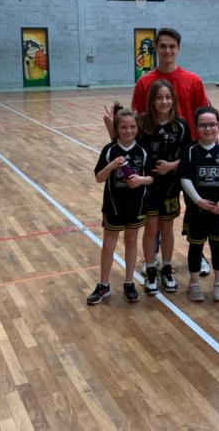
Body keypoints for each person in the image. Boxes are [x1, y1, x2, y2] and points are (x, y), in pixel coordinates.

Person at [104, 27, 212, 275]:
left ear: (178, 49)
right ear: (156, 48)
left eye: (172, 46)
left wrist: (208, 148)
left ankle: (198, 254)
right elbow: (134, 123)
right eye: (163, 46)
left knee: (196, 209)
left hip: (186, 157)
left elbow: (203, 118)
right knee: (154, 217)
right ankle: (152, 257)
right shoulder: (144, 82)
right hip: (154, 162)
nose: (167, 51)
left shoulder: (193, 80)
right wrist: (114, 132)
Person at [87, 105, 154, 305]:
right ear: (117, 128)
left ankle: (129, 282)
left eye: (132, 127)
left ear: (137, 128)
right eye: (124, 127)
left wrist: (140, 180)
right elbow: (99, 178)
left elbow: (152, 177)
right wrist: (111, 165)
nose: (128, 131)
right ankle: (103, 285)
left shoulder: (143, 150)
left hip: (136, 206)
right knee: (108, 245)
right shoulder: (110, 150)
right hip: (113, 206)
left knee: (131, 242)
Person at [178, 106, 219, 302]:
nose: (208, 129)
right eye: (203, 125)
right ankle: (194, 283)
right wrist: (198, 200)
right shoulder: (190, 151)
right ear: (196, 128)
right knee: (195, 247)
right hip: (197, 211)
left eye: (212, 124)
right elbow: (184, 178)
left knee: (217, 245)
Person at [137, 79, 190, 295]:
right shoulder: (142, 124)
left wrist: (170, 166)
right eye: (159, 97)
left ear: (173, 100)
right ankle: (151, 270)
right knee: (151, 229)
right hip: (148, 187)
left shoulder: (181, 126)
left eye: (168, 97)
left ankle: (167, 269)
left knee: (167, 229)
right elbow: (129, 149)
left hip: (170, 187)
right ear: (152, 100)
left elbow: (188, 156)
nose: (164, 101)